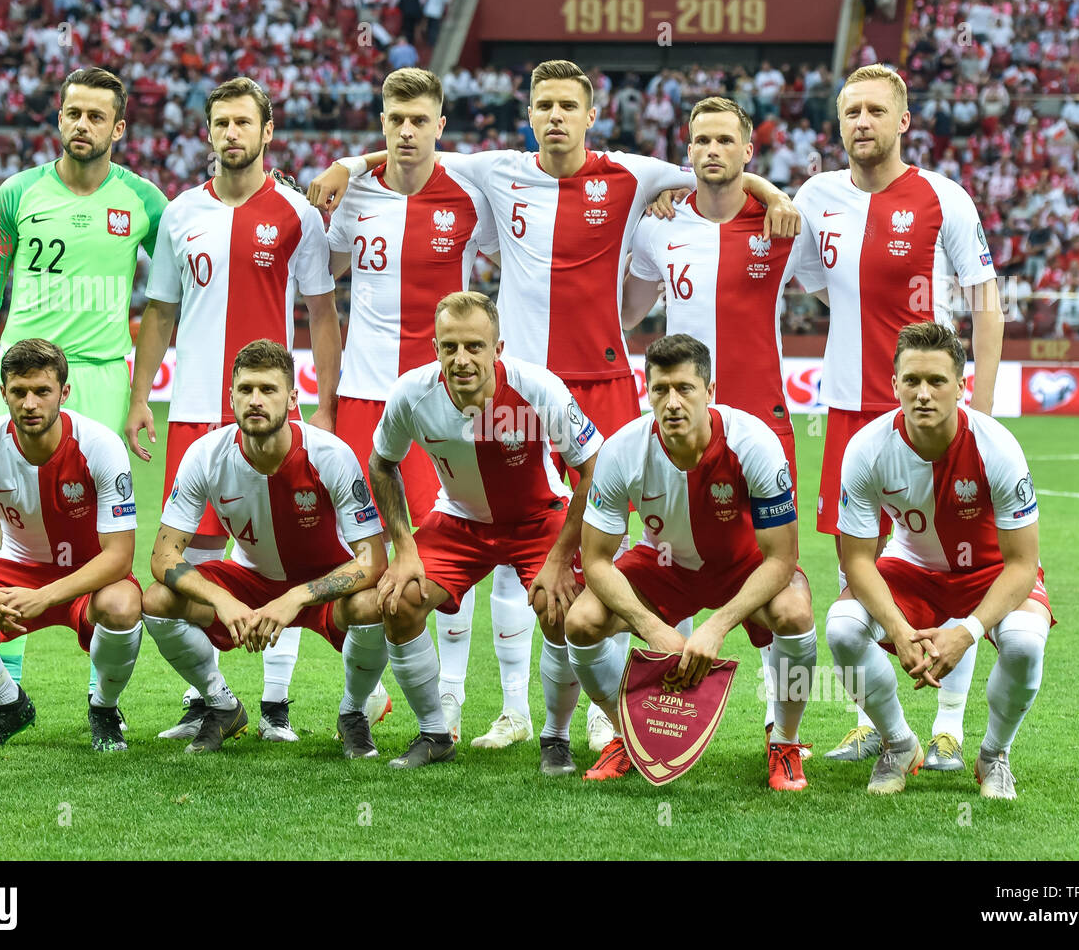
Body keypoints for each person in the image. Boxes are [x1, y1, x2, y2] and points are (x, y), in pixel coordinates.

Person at [309, 57, 800, 754]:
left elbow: (711, 169)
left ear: (590, 114)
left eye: (568, 105)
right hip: (512, 386)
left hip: (601, 382)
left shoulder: (630, 175)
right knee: (497, 522)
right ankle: (495, 707)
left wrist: (769, 189)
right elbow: (414, 143)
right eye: (544, 105)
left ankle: (607, 711)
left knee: (605, 546)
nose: (556, 116)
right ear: (530, 113)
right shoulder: (497, 168)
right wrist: (344, 164)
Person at [790, 64, 1005, 767]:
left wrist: (987, 411)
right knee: (857, 570)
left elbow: (984, 302)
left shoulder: (945, 197)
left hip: (932, 417)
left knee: (950, 562)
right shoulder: (817, 196)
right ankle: (870, 722)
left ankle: (946, 726)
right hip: (850, 411)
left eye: (876, 111)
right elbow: (815, 281)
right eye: (850, 110)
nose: (861, 122)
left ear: (902, 121)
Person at [125, 77, 346, 744]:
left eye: (242, 122)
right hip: (194, 406)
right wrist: (141, 397)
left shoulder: (297, 215)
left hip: (272, 412)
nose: (230, 133)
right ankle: (208, 697)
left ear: (267, 131)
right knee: (193, 552)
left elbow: (322, 313)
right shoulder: (180, 214)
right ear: (209, 131)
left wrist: (326, 407)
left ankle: (276, 705)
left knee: (279, 553)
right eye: (220, 122)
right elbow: (159, 310)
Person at [0, 67, 165, 727]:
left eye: (97, 116)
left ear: (118, 128)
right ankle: (4, 698)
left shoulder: (145, 202)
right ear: (59, 117)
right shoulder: (17, 194)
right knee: (12, 530)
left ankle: (104, 704)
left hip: (98, 379)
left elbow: (169, 296)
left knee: (97, 541)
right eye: (73, 113)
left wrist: (143, 392)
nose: (82, 125)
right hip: (24, 381)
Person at [325, 67, 535, 749]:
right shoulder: (351, 194)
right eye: (396, 120)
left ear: (441, 126)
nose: (408, 131)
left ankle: (455, 697)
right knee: (363, 559)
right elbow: (319, 280)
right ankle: (362, 702)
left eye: (421, 120)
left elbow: (524, 259)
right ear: (381, 124)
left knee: (452, 550)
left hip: (448, 402)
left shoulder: (473, 192)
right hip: (362, 395)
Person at [623, 97, 811, 753]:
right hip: (679, 430)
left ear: (746, 150)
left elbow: (835, 276)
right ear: (687, 147)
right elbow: (629, 310)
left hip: (763, 424)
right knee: (669, 561)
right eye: (700, 139)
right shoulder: (658, 227)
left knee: (776, 586)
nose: (711, 150)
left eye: (725, 140)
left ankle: (781, 735)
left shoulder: (782, 223)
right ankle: (642, 727)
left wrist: (770, 192)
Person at [564, 334, 815, 788]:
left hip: (745, 568)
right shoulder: (623, 450)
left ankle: (785, 740)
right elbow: (596, 560)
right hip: (665, 568)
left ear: (710, 391)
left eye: (685, 388)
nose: (672, 403)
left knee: (794, 614)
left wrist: (717, 626)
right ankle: (627, 734)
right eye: (660, 390)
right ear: (648, 391)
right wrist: (651, 627)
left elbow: (782, 558)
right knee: (580, 622)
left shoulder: (754, 442)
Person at [368, 291, 602, 772]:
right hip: (459, 521)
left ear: (498, 349)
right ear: (434, 348)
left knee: (559, 610)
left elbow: (593, 470)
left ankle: (555, 738)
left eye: (475, 346)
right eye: (449, 347)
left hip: (539, 519)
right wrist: (404, 546)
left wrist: (560, 557)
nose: (461, 359)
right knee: (398, 600)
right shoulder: (411, 394)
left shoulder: (539, 389)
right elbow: (381, 464)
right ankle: (434, 733)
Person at [826, 322, 1052, 797]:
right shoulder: (866, 449)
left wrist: (966, 633)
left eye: (937, 382)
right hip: (911, 567)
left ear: (961, 386)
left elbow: (1022, 565)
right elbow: (858, 560)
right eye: (911, 381)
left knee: (1026, 644)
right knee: (842, 627)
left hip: (990, 573)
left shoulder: (999, 447)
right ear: (894, 386)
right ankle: (898, 743)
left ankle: (994, 755)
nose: (923, 394)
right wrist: (899, 630)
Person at [143, 340, 391, 755]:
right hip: (250, 580)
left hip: (322, 583)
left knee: (374, 605)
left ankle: (353, 713)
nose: (255, 400)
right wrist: (222, 600)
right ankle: (222, 706)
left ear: (293, 398)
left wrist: (296, 597)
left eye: (269, 390)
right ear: (231, 396)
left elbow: (373, 560)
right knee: (157, 599)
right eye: (246, 390)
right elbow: (163, 556)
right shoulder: (205, 455)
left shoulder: (331, 454)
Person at [0, 339, 142, 751]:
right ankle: (8, 705)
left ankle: (104, 710)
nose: (30, 404)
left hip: (88, 575)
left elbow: (119, 556)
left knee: (122, 606)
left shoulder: (101, 445)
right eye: (18, 392)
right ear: (3, 393)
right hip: (15, 573)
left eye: (42, 391)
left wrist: (43, 597)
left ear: (65, 393)